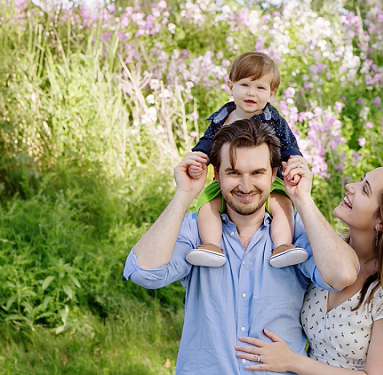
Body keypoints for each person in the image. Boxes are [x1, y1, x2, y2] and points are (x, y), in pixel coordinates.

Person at [123, 118, 359, 375]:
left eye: (257, 173)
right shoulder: (196, 230)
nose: (246, 187)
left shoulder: (295, 233)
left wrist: (303, 198)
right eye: (234, 172)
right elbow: (143, 272)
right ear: (216, 175)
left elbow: (342, 275)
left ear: (273, 174)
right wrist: (184, 195)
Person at [234, 164, 383, 374]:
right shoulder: (327, 251)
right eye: (361, 180)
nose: (351, 186)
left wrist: (292, 362)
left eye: (365, 189)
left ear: (382, 221)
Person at [187, 51, 307, 268]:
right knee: (207, 204)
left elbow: (289, 145)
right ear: (230, 85)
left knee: (281, 205)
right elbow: (206, 143)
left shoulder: (274, 120)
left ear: (272, 92)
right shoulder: (221, 118)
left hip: (268, 181)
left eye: (260, 87)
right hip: (226, 181)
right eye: (245, 85)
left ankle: (281, 246)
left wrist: (295, 162)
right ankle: (211, 246)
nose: (252, 93)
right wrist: (198, 160)